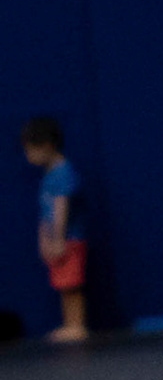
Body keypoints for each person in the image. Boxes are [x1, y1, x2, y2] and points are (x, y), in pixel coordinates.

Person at [20, 116, 87, 342]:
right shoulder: (49, 176)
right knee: (63, 284)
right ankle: (70, 324)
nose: (28, 157)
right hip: (57, 239)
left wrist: (58, 239)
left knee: (71, 284)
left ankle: (76, 325)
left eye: (30, 150)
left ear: (46, 146)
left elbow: (61, 208)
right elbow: (44, 213)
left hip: (70, 239)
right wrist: (44, 241)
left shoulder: (62, 172)